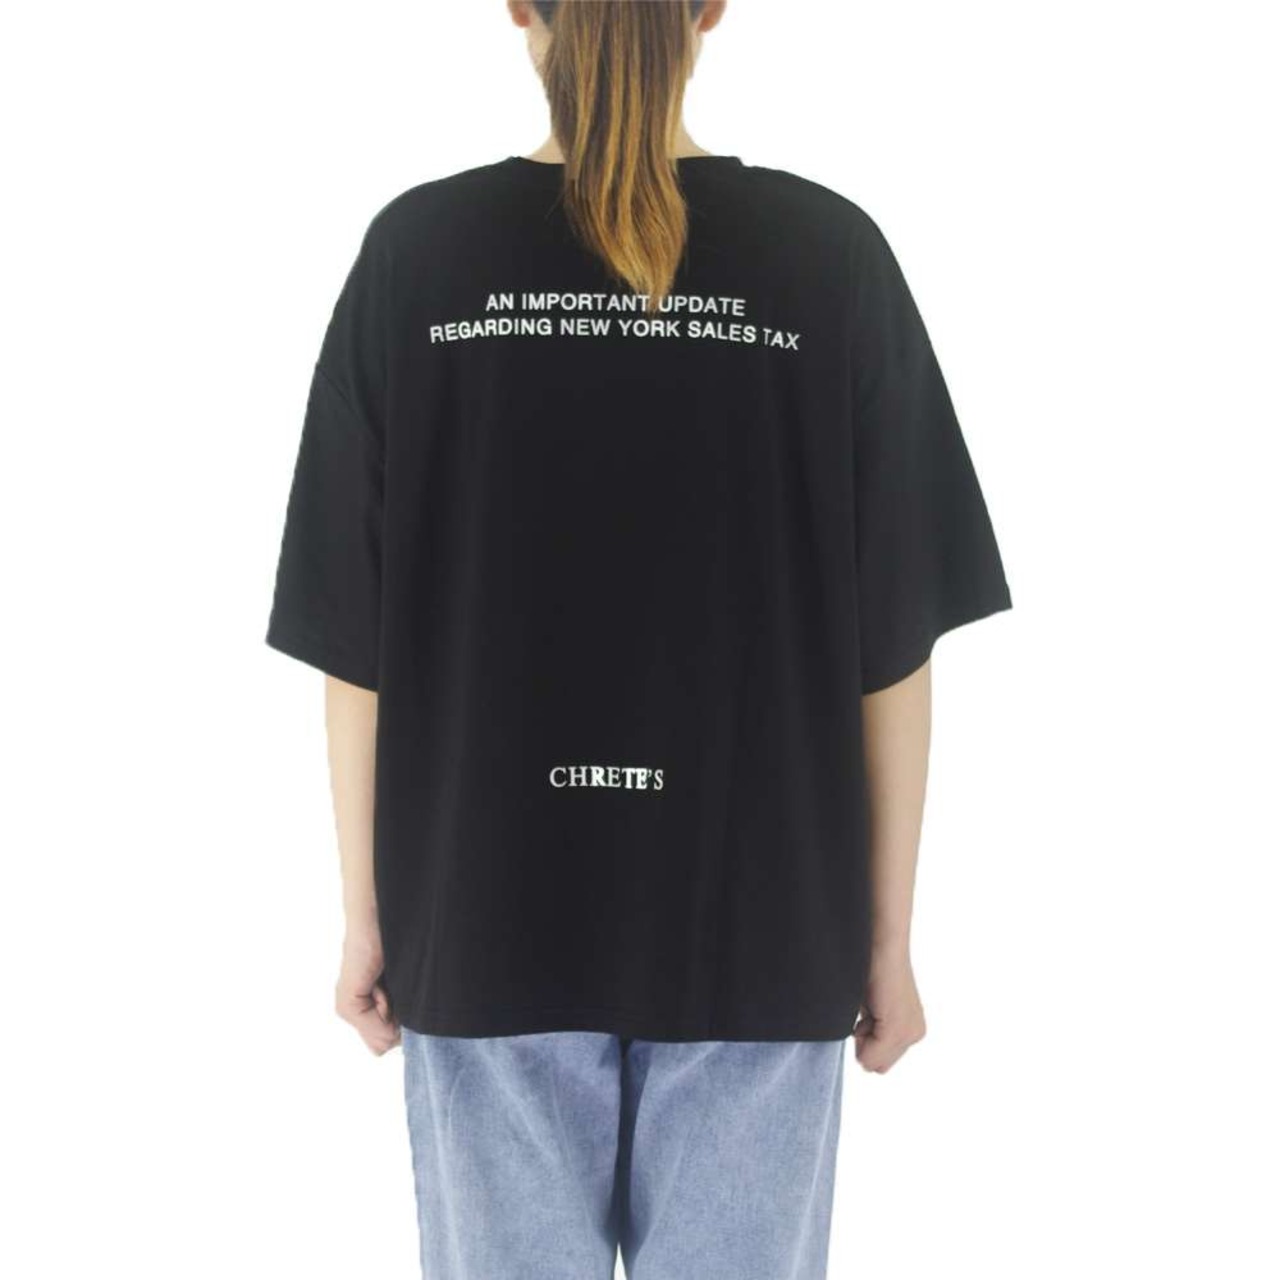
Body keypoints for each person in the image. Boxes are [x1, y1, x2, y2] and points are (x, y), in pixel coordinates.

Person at [263, 2, 1013, 1276]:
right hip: (765, 929)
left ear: (519, 5)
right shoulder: (826, 257)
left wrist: (368, 916)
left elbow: (356, 642)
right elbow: (892, 645)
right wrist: (886, 942)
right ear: (711, 7)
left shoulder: (416, 257)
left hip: (483, 917)